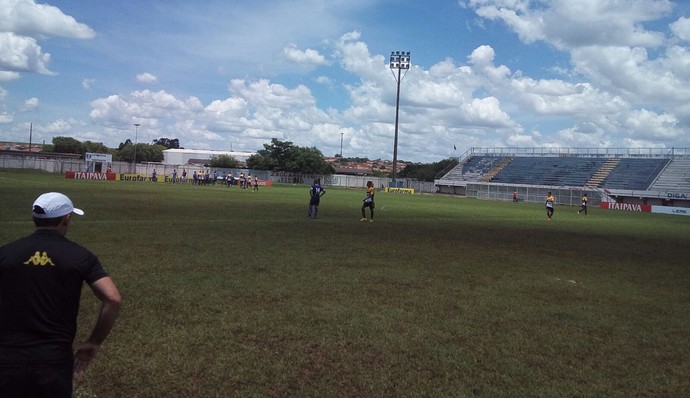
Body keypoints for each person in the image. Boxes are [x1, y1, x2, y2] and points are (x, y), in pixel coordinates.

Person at [0, 192, 121, 398]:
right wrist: (94, 342)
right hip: (54, 360)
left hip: (7, 359)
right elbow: (113, 298)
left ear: (34, 219)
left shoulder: (6, 253)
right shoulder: (81, 256)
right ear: (67, 218)